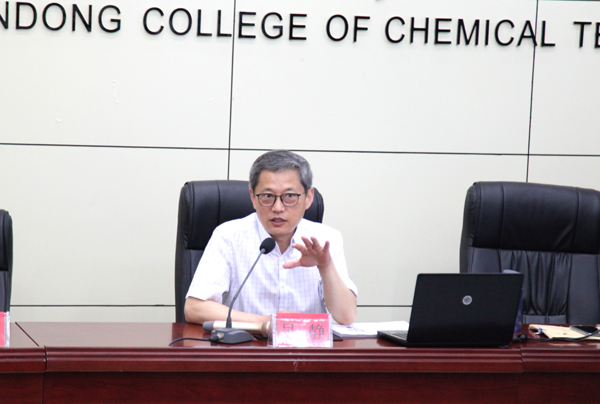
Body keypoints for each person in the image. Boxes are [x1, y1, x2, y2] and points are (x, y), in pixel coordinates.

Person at [184, 150, 357, 325]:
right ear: (253, 197)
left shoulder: (326, 239)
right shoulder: (228, 237)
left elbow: (346, 316)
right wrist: (265, 322)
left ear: (308, 198)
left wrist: (325, 266)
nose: (278, 208)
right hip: (246, 341)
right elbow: (194, 308)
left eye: (290, 196)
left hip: (306, 342)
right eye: (267, 196)